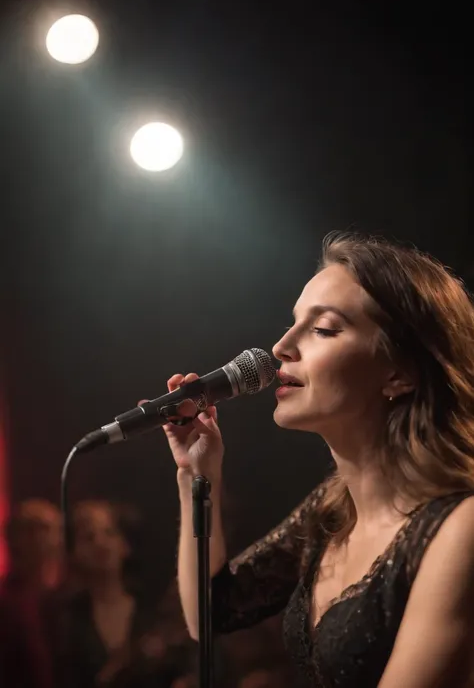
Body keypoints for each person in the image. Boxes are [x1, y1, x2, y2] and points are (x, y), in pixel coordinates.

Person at [164, 232, 474, 687]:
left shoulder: (459, 528)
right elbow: (210, 614)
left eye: (324, 329)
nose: (281, 347)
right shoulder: (330, 512)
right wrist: (196, 476)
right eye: (293, 324)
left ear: (400, 372)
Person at [59, 500, 192, 687]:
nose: (100, 543)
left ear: (124, 545)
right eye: (88, 536)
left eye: (109, 532)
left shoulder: (153, 610)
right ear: (73, 552)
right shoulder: (66, 616)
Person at [0, 498, 63, 688]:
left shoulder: (74, 599)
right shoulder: (6, 601)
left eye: (43, 528)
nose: (36, 537)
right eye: (28, 529)